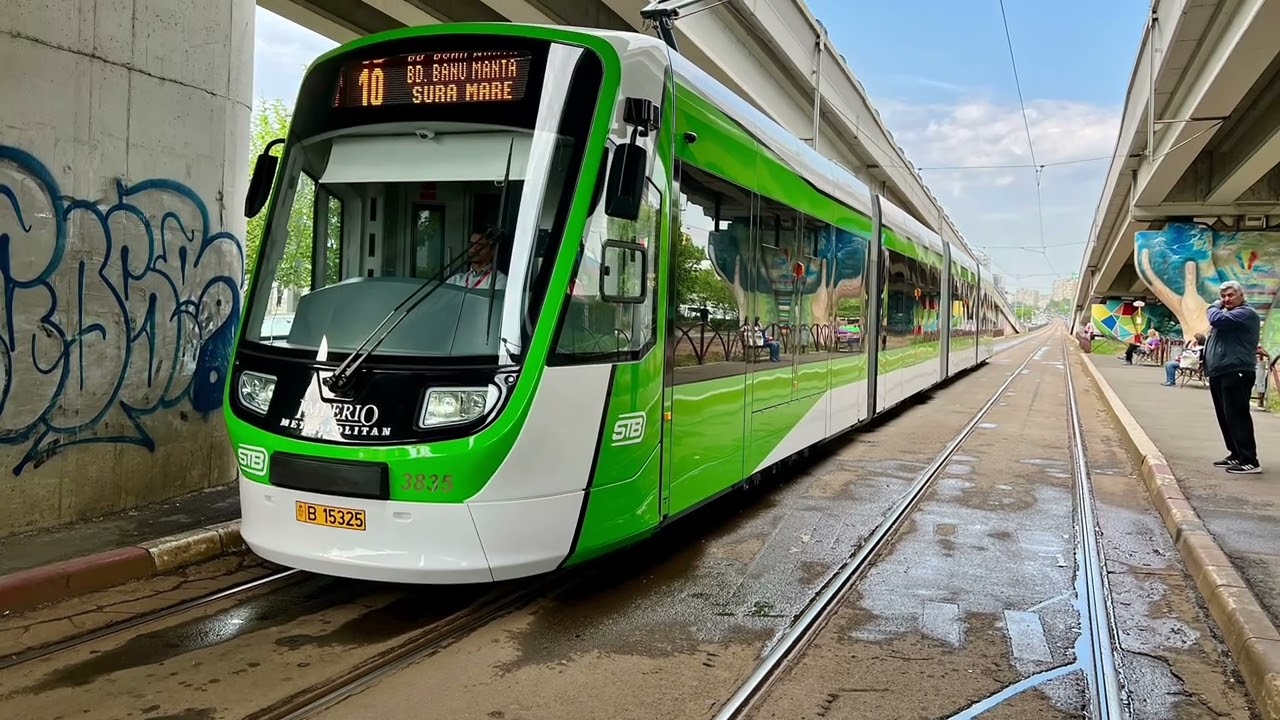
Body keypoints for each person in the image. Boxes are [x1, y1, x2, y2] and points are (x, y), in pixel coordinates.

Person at [1203, 280, 1261, 474]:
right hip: (1220, 372)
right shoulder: (1229, 314)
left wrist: (1214, 305)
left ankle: (1249, 459)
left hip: (1237, 371)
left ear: (1241, 296)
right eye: (1223, 296)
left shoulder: (1246, 314)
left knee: (1238, 416)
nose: (1226, 299)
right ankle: (1235, 453)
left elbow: (1216, 320)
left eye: (1230, 295)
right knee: (1225, 417)